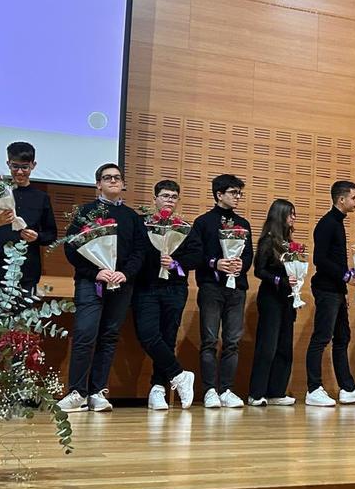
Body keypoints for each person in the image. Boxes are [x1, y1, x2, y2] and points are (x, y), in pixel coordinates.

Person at [58, 163, 146, 413]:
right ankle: (77, 392)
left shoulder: (132, 217)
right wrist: (95, 272)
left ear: (123, 184)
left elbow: (140, 251)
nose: (113, 181)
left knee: (109, 336)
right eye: (107, 178)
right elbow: (71, 248)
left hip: (121, 284)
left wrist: (124, 273)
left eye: (117, 178)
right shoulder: (85, 213)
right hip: (91, 283)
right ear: (98, 184)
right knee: (85, 334)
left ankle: (97, 392)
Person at [187, 174, 253, 409]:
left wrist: (241, 265)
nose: (238, 197)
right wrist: (215, 263)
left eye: (239, 193)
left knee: (232, 342)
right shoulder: (203, 222)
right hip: (211, 287)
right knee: (209, 340)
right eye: (233, 192)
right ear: (219, 194)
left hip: (237, 289)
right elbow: (195, 255)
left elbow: (248, 255)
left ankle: (226, 389)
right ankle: (209, 390)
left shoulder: (243, 224)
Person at [305, 180, 355, 407]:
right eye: (354, 197)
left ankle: (347, 388)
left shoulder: (337, 223)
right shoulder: (327, 224)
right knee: (321, 338)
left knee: (342, 337)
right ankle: (313, 389)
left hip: (336, 290)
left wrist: (347, 278)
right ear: (341, 199)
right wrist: (345, 276)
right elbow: (320, 260)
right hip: (326, 289)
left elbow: (334, 261)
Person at [131, 179, 198, 411]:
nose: (169, 200)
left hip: (175, 288)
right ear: (155, 199)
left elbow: (196, 255)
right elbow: (136, 252)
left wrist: (175, 262)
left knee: (168, 338)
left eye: (173, 197)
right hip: (146, 287)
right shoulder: (143, 224)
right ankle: (180, 374)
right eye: (165, 196)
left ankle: (158, 388)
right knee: (148, 334)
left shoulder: (184, 227)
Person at [0, 142, 57, 296]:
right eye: (15, 166)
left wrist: (37, 237)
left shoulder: (41, 198)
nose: (19, 172)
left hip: (27, 271)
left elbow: (51, 235)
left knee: (24, 311)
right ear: (8, 164)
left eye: (25, 167)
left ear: (33, 165)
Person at [249, 198, 299, 407]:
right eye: (290, 214)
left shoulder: (288, 243)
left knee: (285, 346)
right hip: (271, 298)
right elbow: (259, 270)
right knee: (267, 346)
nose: (293, 218)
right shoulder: (268, 240)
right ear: (280, 215)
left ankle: (276, 391)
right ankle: (256, 393)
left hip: (287, 298)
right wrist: (280, 280)